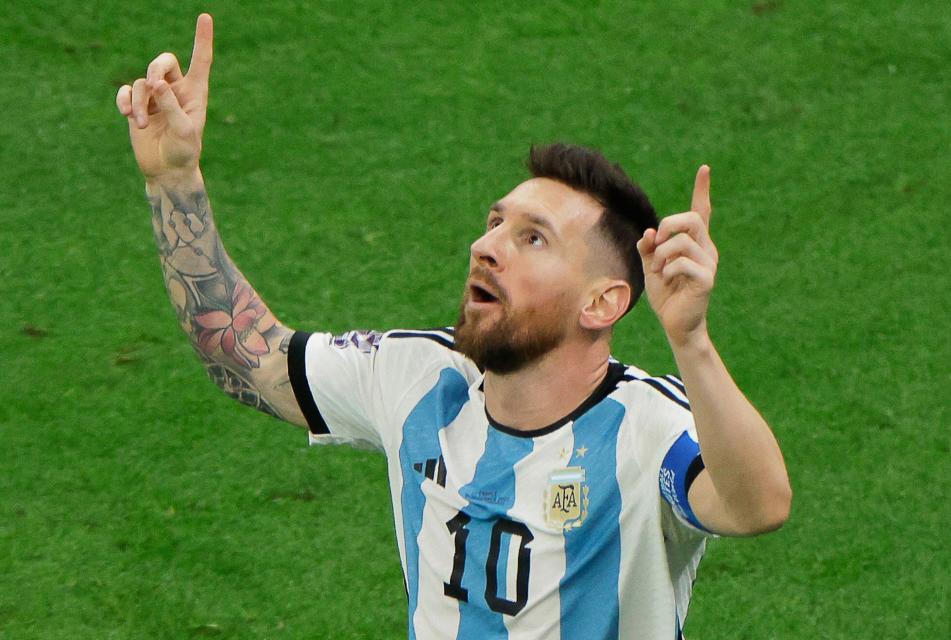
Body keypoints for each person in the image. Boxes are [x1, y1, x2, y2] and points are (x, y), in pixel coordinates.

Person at [117, 14, 791, 640]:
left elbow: (757, 505)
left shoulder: (645, 427)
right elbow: (244, 353)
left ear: (602, 303)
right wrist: (174, 178)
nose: (486, 245)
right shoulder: (416, 377)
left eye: (534, 239)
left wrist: (691, 339)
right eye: (496, 222)